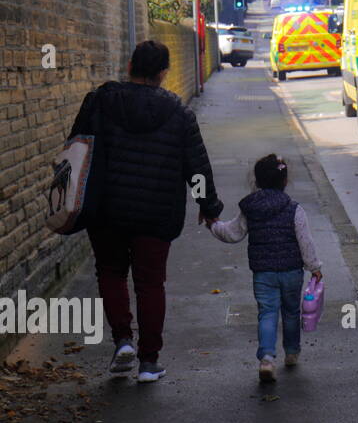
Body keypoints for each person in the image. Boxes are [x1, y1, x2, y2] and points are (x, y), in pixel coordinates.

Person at [70, 39, 223, 383]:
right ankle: (149, 362)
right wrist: (207, 206)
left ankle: (123, 340)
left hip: (106, 211)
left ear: (129, 68)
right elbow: (195, 166)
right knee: (150, 283)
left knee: (110, 273)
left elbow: (76, 148)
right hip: (156, 213)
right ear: (164, 73)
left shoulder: (100, 101)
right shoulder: (178, 112)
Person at [207, 154, 323, 383]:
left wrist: (213, 225)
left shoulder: (250, 208)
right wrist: (315, 267)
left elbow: (232, 233)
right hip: (291, 272)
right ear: (285, 181)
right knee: (291, 313)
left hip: (263, 273)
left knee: (267, 313)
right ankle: (291, 352)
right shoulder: (294, 209)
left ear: (257, 181)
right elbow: (305, 241)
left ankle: (267, 359)